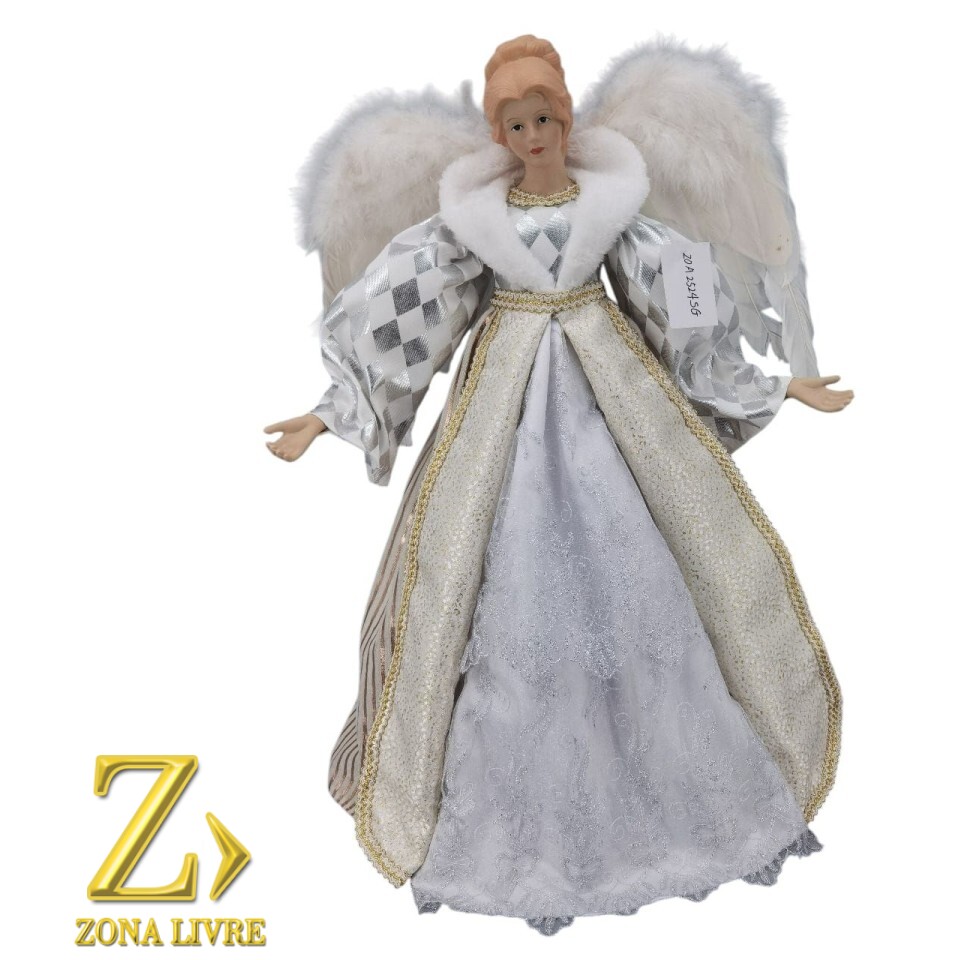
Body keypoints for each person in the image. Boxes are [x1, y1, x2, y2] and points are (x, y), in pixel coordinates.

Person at [265, 35, 850, 935]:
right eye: (517, 124)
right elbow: (405, 311)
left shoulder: (612, 205)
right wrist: (331, 411)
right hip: (502, 401)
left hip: (610, 387)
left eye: (545, 118)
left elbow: (679, 287)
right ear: (498, 132)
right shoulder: (472, 220)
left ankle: (679, 777)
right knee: (488, 580)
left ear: (566, 117)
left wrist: (776, 381)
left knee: (653, 567)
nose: (534, 135)